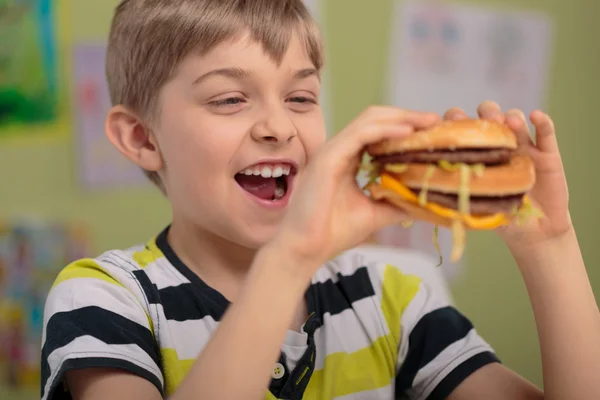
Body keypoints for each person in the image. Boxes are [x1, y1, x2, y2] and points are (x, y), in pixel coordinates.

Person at [41, 1, 599, 399]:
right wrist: (290, 256)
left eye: (301, 96)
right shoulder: (103, 300)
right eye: (230, 98)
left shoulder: (392, 298)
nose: (279, 126)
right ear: (142, 138)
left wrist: (548, 241)